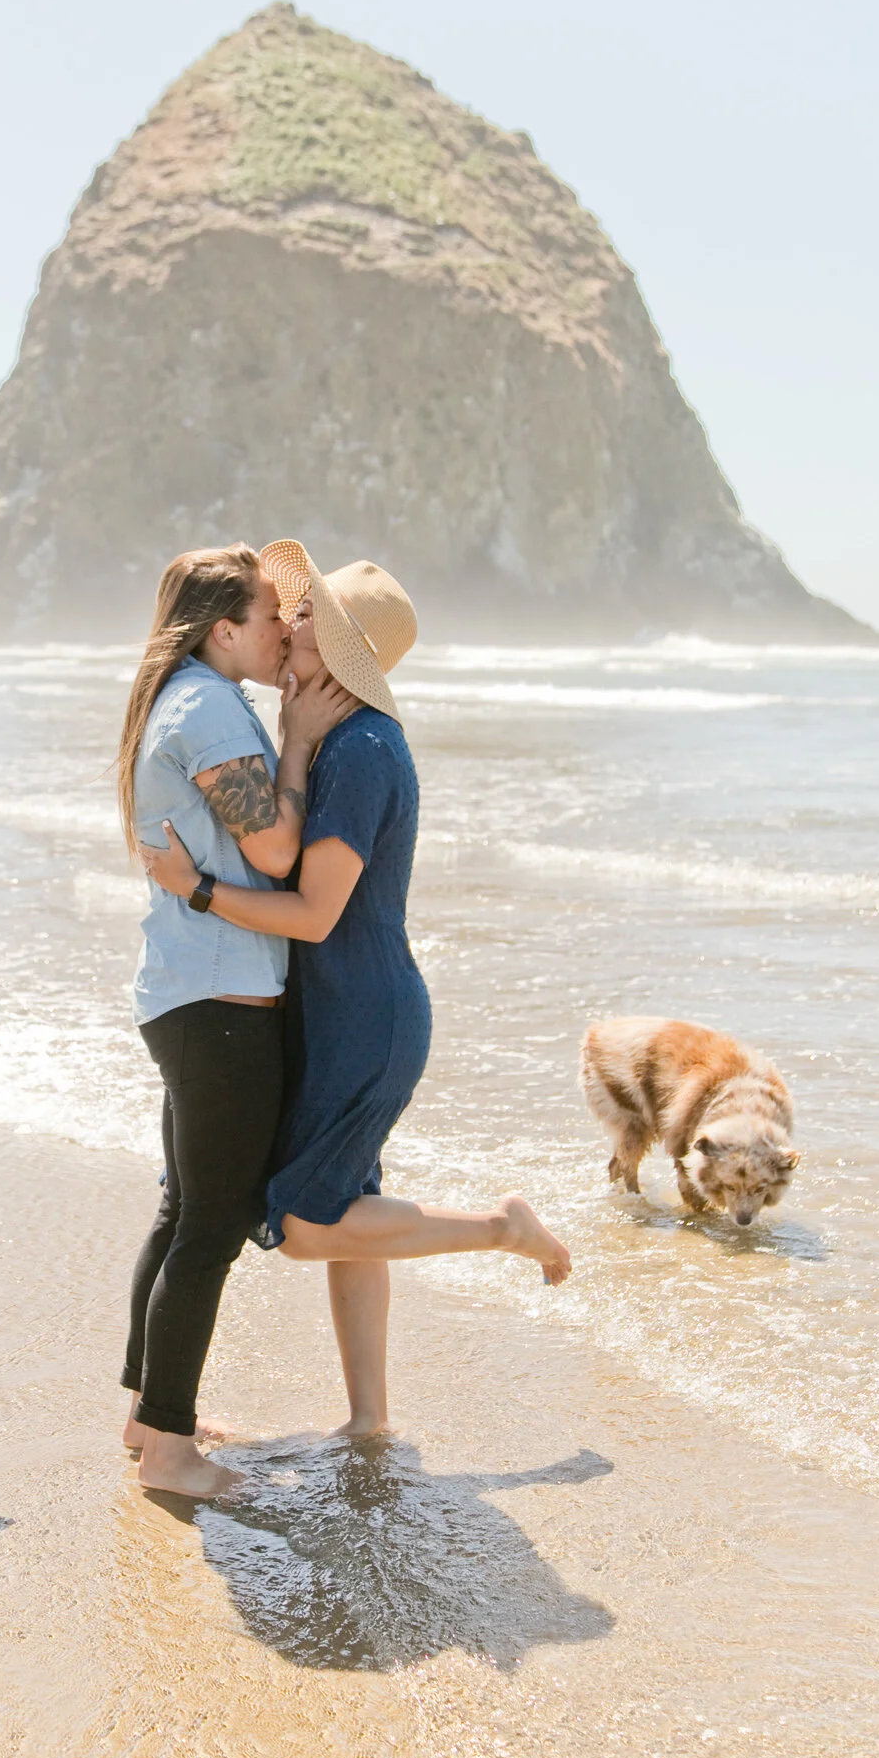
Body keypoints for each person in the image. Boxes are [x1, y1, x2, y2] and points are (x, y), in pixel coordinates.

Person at [141, 540, 572, 1441]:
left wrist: (201, 891)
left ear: (338, 655)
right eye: (291, 612)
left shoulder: (363, 751)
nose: (289, 622)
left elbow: (313, 914)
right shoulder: (333, 738)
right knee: (348, 1213)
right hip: (331, 1012)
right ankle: (369, 1418)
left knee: (306, 1223)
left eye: (308, 618)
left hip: (362, 1015)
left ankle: (502, 1226)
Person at [117, 541, 352, 1499]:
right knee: (211, 1224)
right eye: (267, 617)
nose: (282, 631)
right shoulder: (212, 712)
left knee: (183, 1211)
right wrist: (298, 740)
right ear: (223, 629)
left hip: (188, 993)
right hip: (217, 1004)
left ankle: (148, 1414)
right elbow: (280, 847)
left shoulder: (183, 695)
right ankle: (170, 1455)